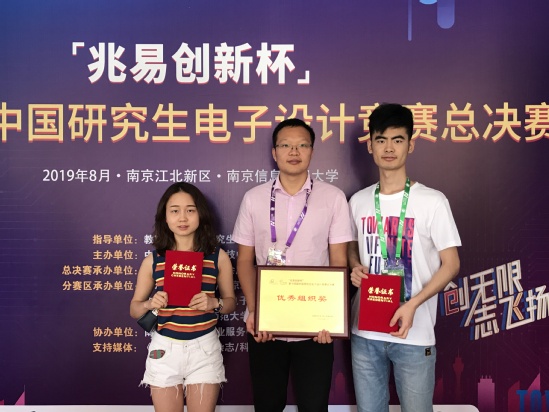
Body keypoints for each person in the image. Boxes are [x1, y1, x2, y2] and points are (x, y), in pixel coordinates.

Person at [232, 118, 353, 412]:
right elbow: (245, 261)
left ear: (312, 151)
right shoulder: (253, 199)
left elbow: (339, 262)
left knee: (314, 406)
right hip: (265, 325)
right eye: (286, 145)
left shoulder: (333, 198)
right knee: (267, 405)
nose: (294, 151)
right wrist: (255, 310)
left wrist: (331, 317)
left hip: (315, 328)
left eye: (302, 145)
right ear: (274, 152)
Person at [348, 103, 461, 412]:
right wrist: (354, 265)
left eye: (397, 140)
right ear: (370, 145)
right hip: (365, 333)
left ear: (410, 145)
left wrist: (412, 305)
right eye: (381, 139)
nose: (389, 148)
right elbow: (351, 245)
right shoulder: (358, 201)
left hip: (414, 332)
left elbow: (451, 264)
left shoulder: (432, 201)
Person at [130, 182, 236, 412]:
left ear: (201, 214)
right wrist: (150, 303)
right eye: (175, 211)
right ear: (165, 217)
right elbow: (134, 309)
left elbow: (230, 303)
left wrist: (214, 303)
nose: (183, 218)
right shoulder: (153, 260)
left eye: (190, 210)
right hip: (164, 349)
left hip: (204, 348)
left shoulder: (217, 257)